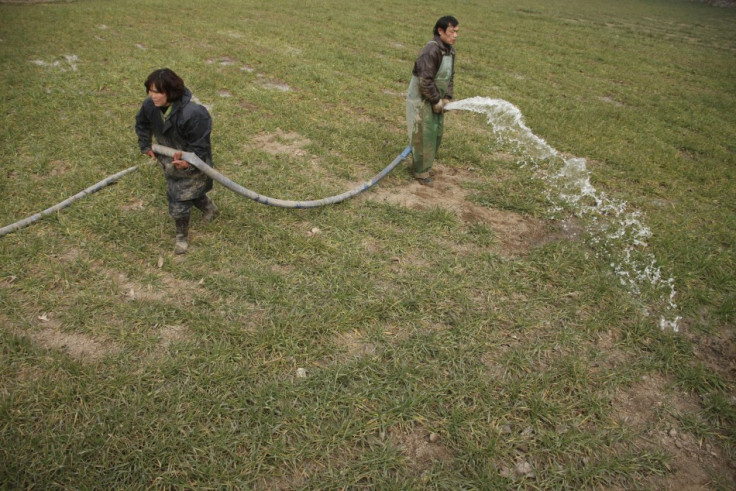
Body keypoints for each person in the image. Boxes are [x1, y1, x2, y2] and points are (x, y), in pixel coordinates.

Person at [135, 68, 218, 254]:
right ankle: (210, 208)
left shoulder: (194, 114)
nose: (152, 96)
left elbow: (200, 145)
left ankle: (182, 238)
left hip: (195, 162)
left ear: (171, 92)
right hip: (169, 160)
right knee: (185, 192)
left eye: (158, 92)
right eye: (150, 90)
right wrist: (146, 145)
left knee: (180, 198)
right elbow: (141, 124)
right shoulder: (150, 107)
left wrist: (188, 163)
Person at [406, 15, 459, 185]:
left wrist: (447, 97)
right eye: (452, 31)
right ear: (440, 30)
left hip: (436, 100)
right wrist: (436, 100)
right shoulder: (431, 51)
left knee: (436, 134)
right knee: (423, 135)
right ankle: (420, 172)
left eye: (457, 32)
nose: (455, 35)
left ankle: (425, 166)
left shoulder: (450, 50)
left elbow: (450, 76)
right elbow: (425, 81)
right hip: (422, 100)